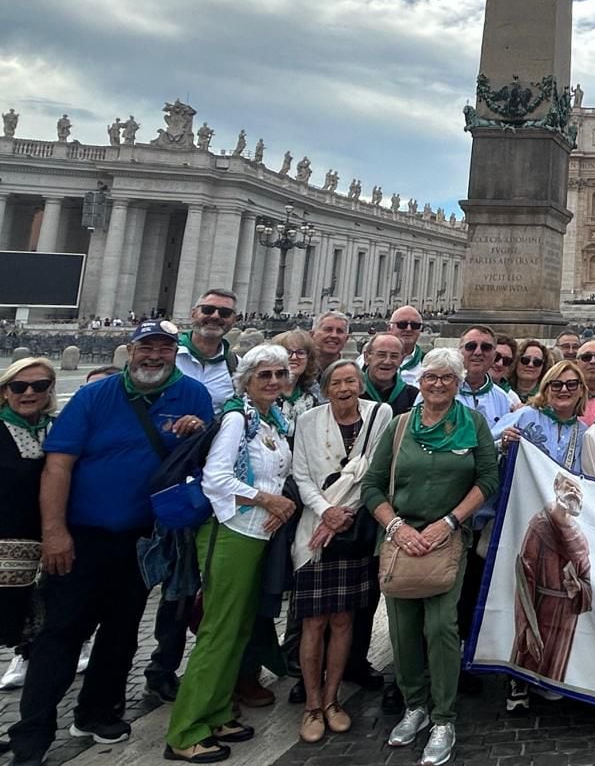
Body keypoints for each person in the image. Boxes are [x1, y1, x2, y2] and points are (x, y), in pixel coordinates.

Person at [7, 321, 210, 766]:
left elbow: (204, 461)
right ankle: (31, 736)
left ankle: (97, 712)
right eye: (146, 347)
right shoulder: (93, 396)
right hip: (81, 536)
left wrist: (195, 433)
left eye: (163, 348)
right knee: (60, 634)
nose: (153, 356)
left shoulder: (193, 395)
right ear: (130, 351)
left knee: (122, 632)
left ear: (175, 352)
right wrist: (54, 532)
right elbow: (58, 466)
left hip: (143, 539)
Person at [363, 348, 499, 766]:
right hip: (401, 539)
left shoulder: (472, 424)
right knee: (403, 631)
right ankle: (414, 705)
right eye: (430, 377)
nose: (437, 384)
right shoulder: (401, 425)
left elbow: (487, 478)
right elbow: (371, 485)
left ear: (458, 383)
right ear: (419, 382)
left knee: (441, 627)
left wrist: (450, 522)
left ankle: (443, 716)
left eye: (446, 378)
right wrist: (396, 527)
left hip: (447, 538)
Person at [164, 346, 298, 762]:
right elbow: (216, 478)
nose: (273, 381)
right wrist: (267, 501)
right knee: (218, 632)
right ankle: (185, 731)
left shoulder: (272, 419)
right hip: (230, 532)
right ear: (247, 380)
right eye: (264, 376)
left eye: (279, 374)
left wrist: (275, 503)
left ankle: (218, 712)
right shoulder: (238, 419)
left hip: (257, 536)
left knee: (239, 628)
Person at [289, 360, 393, 744]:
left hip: (354, 530)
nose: (345, 387)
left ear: (361, 384)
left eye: (352, 380)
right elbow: (300, 475)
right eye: (337, 382)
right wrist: (326, 511)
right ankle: (312, 704)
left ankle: (333, 700)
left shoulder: (379, 415)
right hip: (316, 531)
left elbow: (379, 470)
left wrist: (345, 513)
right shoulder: (309, 421)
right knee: (314, 622)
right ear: (326, 387)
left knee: (344, 620)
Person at [0, 359, 54, 696]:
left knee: (41, 635)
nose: (29, 392)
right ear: (5, 392)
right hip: (4, 550)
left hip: (47, 553)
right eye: (19, 386)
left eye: (39, 386)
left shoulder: (60, 429)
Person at [511, 473, 591, 685]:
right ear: (557, 486)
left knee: (554, 674)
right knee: (529, 662)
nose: (574, 491)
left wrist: (579, 588)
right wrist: (527, 625)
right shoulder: (540, 526)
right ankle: (519, 686)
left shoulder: (581, 539)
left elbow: (587, 581)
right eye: (569, 485)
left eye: (578, 489)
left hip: (566, 614)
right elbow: (524, 575)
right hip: (540, 608)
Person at [494, 361, 588, 473]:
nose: (564, 389)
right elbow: (485, 449)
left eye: (571, 384)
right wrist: (503, 445)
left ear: (581, 390)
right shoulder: (525, 416)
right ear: (546, 390)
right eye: (556, 385)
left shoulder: (584, 433)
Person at [175, 288, 241, 415]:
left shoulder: (236, 365)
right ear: (193, 314)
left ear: (234, 320)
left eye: (225, 313)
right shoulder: (165, 356)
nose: (215, 316)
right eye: (207, 310)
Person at [456, 328, 513, 427]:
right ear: (459, 351)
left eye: (486, 347)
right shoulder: (438, 390)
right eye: (471, 346)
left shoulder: (504, 400)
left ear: (494, 356)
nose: (478, 352)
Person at [272, 329, 321, 432]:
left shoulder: (311, 400)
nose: (294, 357)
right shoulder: (265, 396)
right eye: (287, 352)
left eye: (300, 353)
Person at [361, 333, 418, 415]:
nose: (387, 361)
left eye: (394, 356)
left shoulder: (413, 397)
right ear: (366, 357)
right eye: (381, 355)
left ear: (401, 360)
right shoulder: (354, 393)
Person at [386, 305, 427, 384]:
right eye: (402, 324)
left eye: (415, 325)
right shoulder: (368, 361)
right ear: (389, 329)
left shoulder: (428, 363)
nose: (408, 329)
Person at [509, 340, 549, 405]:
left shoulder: (547, 395)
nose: (530, 365)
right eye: (525, 360)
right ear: (516, 362)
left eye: (537, 362)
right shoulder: (504, 389)